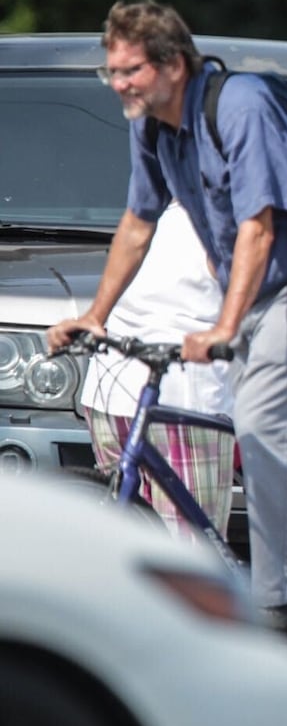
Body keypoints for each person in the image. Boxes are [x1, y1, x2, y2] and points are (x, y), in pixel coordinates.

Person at [47, 0, 287, 640]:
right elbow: (138, 223)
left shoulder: (239, 105)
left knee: (259, 423)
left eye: (130, 70)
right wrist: (95, 315)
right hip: (261, 290)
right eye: (111, 71)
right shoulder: (152, 126)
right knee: (251, 421)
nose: (118, 85)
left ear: (173, 64)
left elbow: (259, 226)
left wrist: (224, 326)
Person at [80, 202, 234, 540]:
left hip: (110, 388)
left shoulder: (149, 213)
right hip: (186, 401)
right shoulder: (229, 218)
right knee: (191, 554)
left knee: (124, 540)